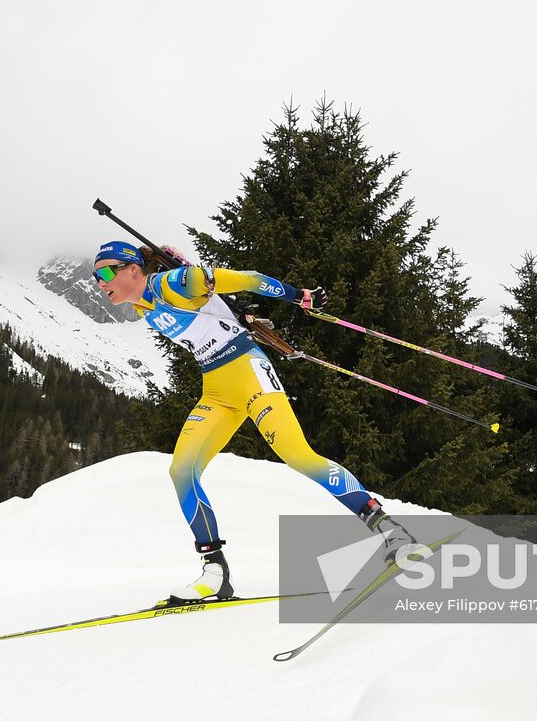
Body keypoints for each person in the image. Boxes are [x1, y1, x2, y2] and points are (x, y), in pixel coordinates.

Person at [92, 240, 416, 605]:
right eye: (95, 276)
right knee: (181, 470)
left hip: (249, 373)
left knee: (299, 457)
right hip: (216, 390)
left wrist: (297, 295)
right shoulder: (141, 306)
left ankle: (389, 530)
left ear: (132, 269)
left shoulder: (174, 283)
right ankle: (215, 572)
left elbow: (248, 279)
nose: (100, 283)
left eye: (105, 272)